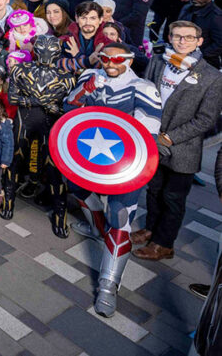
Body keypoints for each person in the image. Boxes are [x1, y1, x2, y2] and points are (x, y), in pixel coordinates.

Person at [64, 42, 163, 318]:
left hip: (125, 165)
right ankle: (98, 229)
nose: (110, 62)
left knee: (120, 217)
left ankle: (108, 284)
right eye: (106, 57)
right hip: (88, 158)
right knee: (76, 188)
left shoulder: (143, 88)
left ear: (129, 61)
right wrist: (84, 91)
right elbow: (68, 109)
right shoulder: (89, 77)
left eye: (118, 58)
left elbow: (147, 134)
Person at [135, 21, 222, 261]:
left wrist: (171, 138)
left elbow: (206, 119)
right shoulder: (158, 62)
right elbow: (145, 93)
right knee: (153, 191)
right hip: (152, 140)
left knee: (172, 198)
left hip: (182, 149)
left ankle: (164, 244)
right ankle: (151, 229)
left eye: (189, 37)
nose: (182, 41)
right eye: (177, 36)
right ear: (170, 38)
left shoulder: (212, 76)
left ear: (199, 41)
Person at [6, 35, 77, 231]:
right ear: (36, 50)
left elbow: (70, 107)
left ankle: (60, 215)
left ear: (56, 53)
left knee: (53, 168)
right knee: (15, 158)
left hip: (49, 124)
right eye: (42, 50)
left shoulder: (68, 78)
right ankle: (8, 201)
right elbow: (12, 97)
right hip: (25, 120)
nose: (45, 55)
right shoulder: (20, 69)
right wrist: (43, 103)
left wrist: (57, 109)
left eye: (50, 51)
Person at [178, 0, 222, 68]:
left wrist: (200, 55)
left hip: (205, 62)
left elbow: (219, 43)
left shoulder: (216, 16)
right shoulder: (186, 8)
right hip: (183, 55)